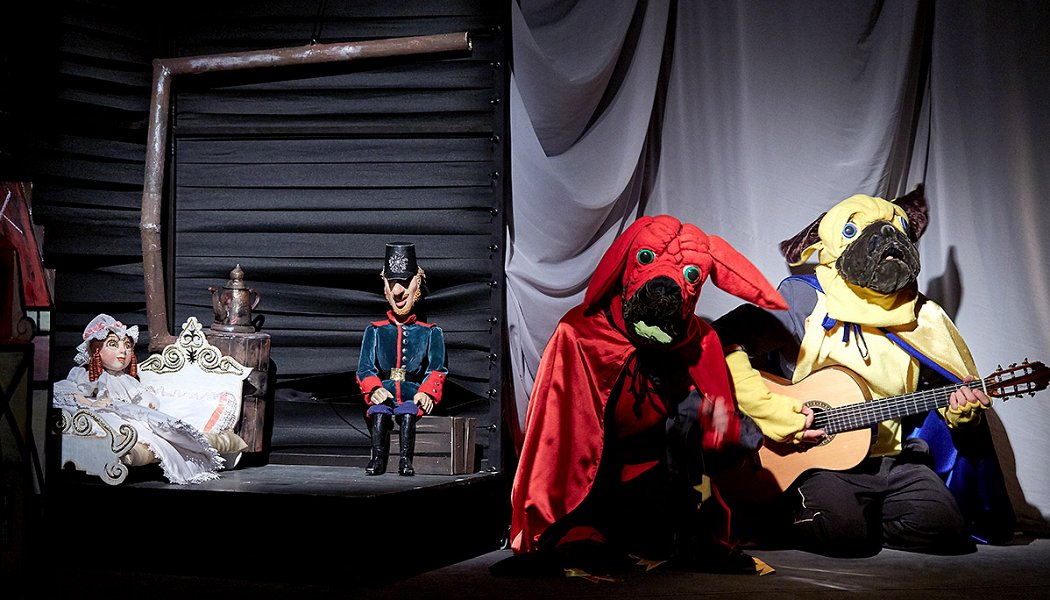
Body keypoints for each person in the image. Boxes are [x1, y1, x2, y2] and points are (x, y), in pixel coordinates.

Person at [711, 187, 1004, 557]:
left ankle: (856, 517)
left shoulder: (924, 318)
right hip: (818, 461)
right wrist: (772, 412)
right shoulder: (806, 299)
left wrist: (961, 412)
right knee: (843, 535)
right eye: (854, 232)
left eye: (898, 229)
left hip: (893, 460)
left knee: (946, 530)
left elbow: (943, 390)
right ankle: (799, 515)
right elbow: (721, 343)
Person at [52, 313, 226, 484]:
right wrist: (90, 402)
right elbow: (70, 390)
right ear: (95, 350)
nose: (123, 351)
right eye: (113, 344)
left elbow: (147, 402)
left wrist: (144, 405)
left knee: (148, 425)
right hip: (100, 414)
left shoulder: (129, 381)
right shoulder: (92, 375)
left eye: (127, 346)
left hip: (123, 414)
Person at [357, 242, 447, 476]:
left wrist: (427, 392)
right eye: (392, 284)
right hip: (386, 392)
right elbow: (365, 369)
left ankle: (405, 461)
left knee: (408, 414)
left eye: (405, 283)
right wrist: (374, 388)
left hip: (411, 393)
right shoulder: (375, 330)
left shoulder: (431, 332)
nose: (398, 291)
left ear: (418, 282)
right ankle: (377, 459)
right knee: (379, 413)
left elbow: (437, 369)